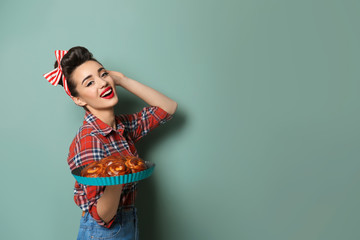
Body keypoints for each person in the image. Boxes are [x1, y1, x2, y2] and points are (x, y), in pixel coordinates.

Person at [43, 46, 177, 239]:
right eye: (89, 83)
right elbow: (103, 215)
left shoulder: (122, 127)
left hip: (127, 222)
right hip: (105, 231)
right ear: (78, 99)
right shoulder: (89, 140)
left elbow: (168, 108)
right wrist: (117, 176)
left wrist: (122, 80)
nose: (102, 83)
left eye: (103, 74)